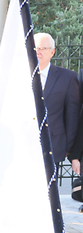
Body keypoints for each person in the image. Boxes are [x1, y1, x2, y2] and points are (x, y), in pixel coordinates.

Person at [34, 32, 79, 164]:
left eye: (42, 48)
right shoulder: (20, 77)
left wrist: (68, 147)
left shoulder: (67, 78)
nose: (38, 52)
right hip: (24, 147)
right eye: (35, 48)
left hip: (53, 146)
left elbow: (72, 115)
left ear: (52, 52)